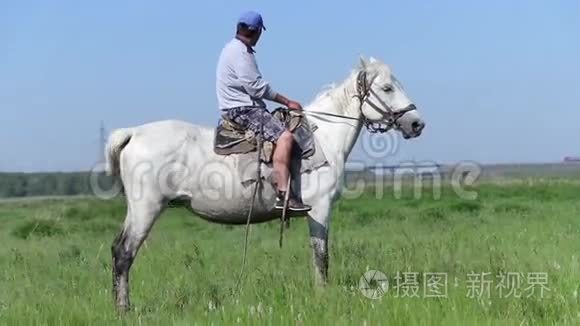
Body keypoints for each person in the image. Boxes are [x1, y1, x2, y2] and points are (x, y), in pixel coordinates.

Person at [216, 11, 311, 212]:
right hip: (243, 110)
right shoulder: (241, 53)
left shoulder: (233, 48)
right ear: (257, 32)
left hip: (241, 106)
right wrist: (287, 101)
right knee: (285, 137)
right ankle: (284, 194)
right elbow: (256, 87)